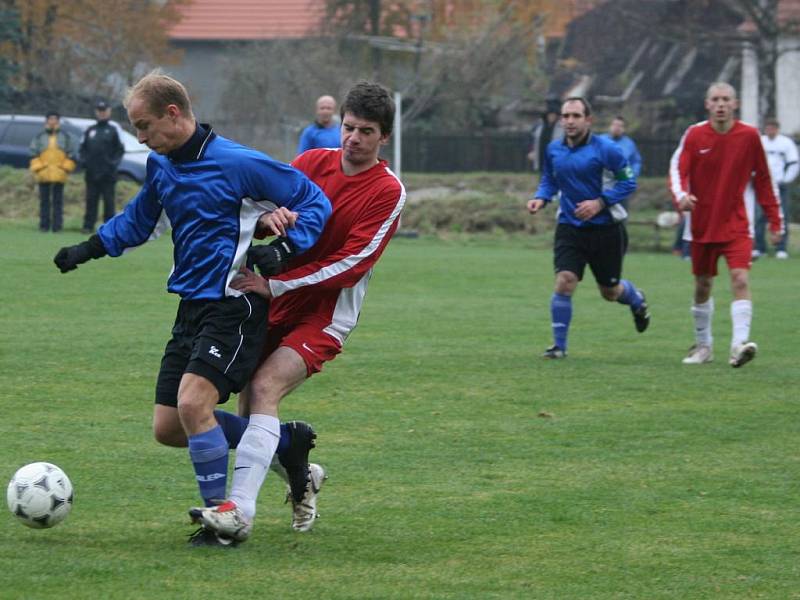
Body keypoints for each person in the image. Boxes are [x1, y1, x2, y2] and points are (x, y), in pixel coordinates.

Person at [52, 70, 332, 546]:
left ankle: (223, 519)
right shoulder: (162, 165)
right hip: (190, 308)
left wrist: (284, 252)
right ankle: (285, 445)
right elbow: (139, 220)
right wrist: (90, 248)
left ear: (174, 114)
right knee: (169, 427)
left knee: (192, 403)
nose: (140, 137)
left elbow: (314, 200)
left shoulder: (238, 162)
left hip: (233, 305)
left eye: (144, 126)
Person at [188, 81, 406, 544]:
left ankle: (237, 514)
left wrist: (278, 282)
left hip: (325, 312)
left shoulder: (388, 191)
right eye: (348, 127)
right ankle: (296, 463)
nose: (353, 139)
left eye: (366, 131)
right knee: (251, 413)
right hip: (272, 299)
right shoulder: (310, 164)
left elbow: (353, 264)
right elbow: (264, 210)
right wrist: (270, 222)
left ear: (383, 137)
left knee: (265, 387)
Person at [668, 82, 783, 367]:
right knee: (703, 285)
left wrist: (774, 220)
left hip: (737, 224)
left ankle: (738, 346)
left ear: (736, 104)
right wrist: (681, 197)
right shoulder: (694, 135)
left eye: (726, 100)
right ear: (707, 104)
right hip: (702, 224)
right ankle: (704, 346)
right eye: (715, 99)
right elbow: (677, 169)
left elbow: (764, 180)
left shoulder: (748, 136)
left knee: (740, 279)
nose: (721, 104)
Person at [527, 97, 649, 359]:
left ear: (588, 120)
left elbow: (628, 183)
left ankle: (636, 300)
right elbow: (549, 179)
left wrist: (600, 203)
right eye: (566, 116)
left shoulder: (608, 149)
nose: (570, 121)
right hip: (570, 227)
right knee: (565, 281)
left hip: (606, 230)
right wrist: (541, 197)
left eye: (576, 116)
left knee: (610, 292)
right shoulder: (553, 150)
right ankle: (559, 346)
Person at [753, 117, 798, 259]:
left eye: (773, 128)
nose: (770, 131)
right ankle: (760, 248)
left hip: (779, 185)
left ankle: (781, 248)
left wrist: (786, 179)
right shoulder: (760, 141)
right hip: (762, 184)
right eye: (768, 128)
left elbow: (794, 163)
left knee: (781, 214)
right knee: (759, 216)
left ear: (777, 129)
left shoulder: (786, 143)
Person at [80, 100, 125, 233]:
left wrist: (112, 165)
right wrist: (85, 163)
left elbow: (120, 150)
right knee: (91, 200)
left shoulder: (114, 129)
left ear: (109, 111)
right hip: (91, 173)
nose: (102, 113)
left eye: (104, 111)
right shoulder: (90, 130)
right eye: (100, 111)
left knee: (109, 201)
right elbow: (82, 149)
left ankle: (109, 228)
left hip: (108, 174)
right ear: (96, 112)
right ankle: (88, 226)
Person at [29, 111, 77, 232]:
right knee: (44, 202)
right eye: (50, 119)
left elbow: (71, 154)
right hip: (43, 174)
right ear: (47, 121)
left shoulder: (65, 136)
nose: (52, 121)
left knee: (58, 202)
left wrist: (64, 168)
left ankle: (57, 226)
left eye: (55, 119)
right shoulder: (39, 137)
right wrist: (39, 169)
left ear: (58, 121)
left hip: (59, 175)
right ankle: (44, 226)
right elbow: (33, 153)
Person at [528, 96, 563, 172]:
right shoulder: (539, 125)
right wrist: (531, 150)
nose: (551, 117)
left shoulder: (562, 127)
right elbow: (531, 138)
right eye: (550, 115)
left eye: (554, 115)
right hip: (542, 159)